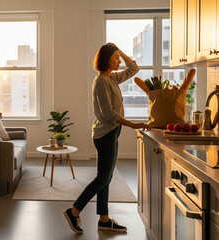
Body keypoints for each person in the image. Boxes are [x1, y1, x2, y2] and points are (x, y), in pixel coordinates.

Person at [63, 43, 151, 234]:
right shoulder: (102, 82)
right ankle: (74, 211)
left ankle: (104, 219)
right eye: (116, 57)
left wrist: (119, 50)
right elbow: (109, 114)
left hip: (111, 133)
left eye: (119, 57)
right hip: (105, 135)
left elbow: (134, 68)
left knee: (106, 177)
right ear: (106, 59)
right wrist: (134, 124)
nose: (119, 60)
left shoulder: (112, 78)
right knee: (103, 177)